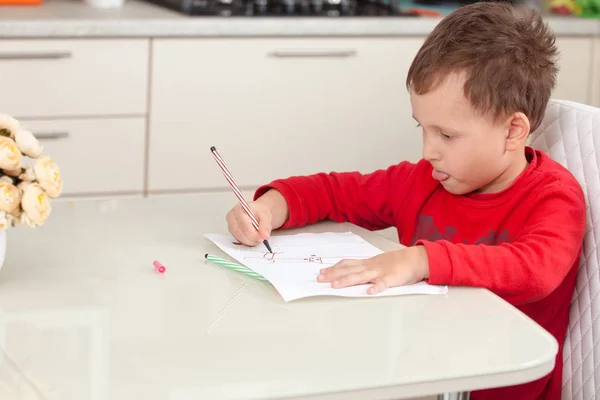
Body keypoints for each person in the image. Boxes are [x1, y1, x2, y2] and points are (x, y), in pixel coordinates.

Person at [225, 2, 586, 399]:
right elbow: (335, 192)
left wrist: (420, 260)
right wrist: (269, 208)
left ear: (514, 130)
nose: (428, 151)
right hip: (420, 379)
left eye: (446, 135)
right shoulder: (424, 179)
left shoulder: (553, 196)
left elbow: (536, 270)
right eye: (423, 129)